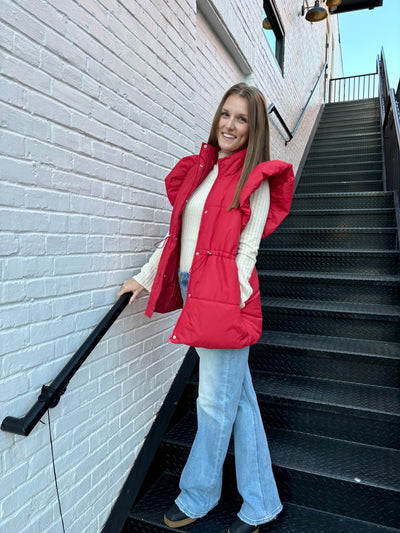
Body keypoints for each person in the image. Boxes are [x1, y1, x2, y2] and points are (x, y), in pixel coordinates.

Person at [118, 83, 294, 533]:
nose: (230, 126)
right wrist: (143, 276)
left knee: (214, 403)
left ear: (254, 130)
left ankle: (198, 496)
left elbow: (248, 250)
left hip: (223, 296)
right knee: (240, 403)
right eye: (226, 115)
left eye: (242, 120)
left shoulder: (254, 178)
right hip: (192, 285)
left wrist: (230, 303)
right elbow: (177, 234)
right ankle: (261, 505)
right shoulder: (200, 169)